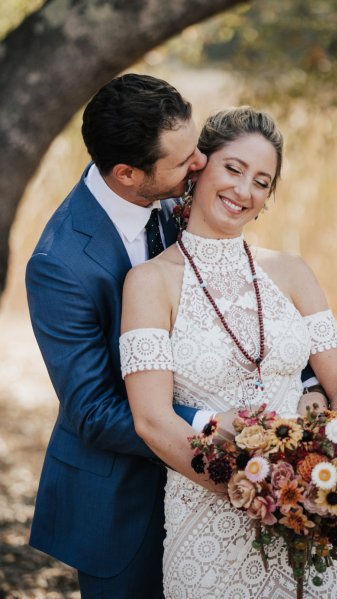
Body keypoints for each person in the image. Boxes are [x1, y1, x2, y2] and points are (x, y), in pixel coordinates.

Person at [120, 106, 337, 598]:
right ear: (199, 165)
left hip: (310, 515)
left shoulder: (294, 272)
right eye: (233, 169)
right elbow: (151, 419)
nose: (243, 191)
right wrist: (252, 491)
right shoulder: (148, 283)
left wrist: (335, 481)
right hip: (206, 521)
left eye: (261, 181)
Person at [25, 73, 210, 599]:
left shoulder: (180, 200)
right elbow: (91, 409)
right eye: (182, 161)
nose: (199, 165)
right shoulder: (59, 264)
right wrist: (207, 426)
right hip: (122, 503)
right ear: (127, 173)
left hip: (210, 505)